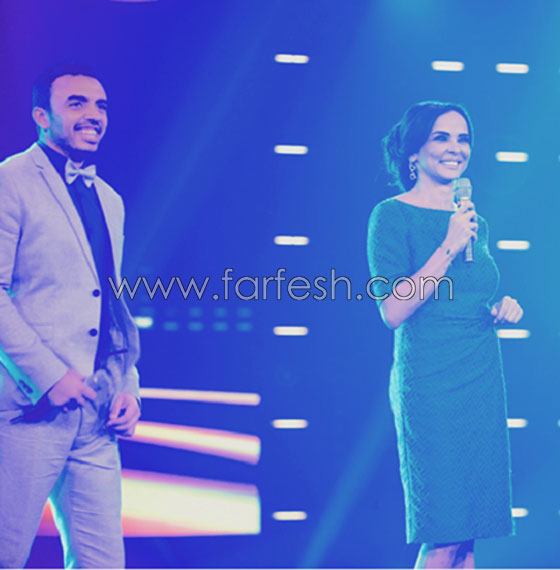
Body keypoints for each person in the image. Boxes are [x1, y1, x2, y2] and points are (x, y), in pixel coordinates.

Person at [367, 101, 523, 569]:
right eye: (442, 137)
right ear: (414, 152)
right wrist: (449, 244)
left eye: (463, 138)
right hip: (430, 383)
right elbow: (394, 309)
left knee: (468, 537)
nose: (456, 148)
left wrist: (498, 308)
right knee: (443, 534)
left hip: (480, 377)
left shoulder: (474, 220)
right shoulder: (390, 216)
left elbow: (468, 294)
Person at [0, 64, 141, 568]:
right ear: (42, 116)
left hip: (97, 414)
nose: (94, 115)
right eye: (77, 103)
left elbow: (111, 305)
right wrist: (49, 375)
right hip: (25, 410)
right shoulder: (10, 180)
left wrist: (128, 385)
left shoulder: (110, 200)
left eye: (101, 105)